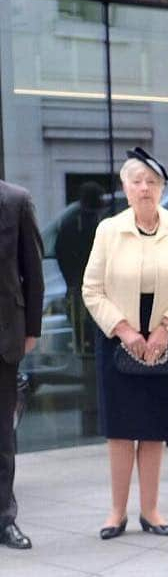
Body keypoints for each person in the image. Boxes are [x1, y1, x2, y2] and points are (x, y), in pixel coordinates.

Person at [82, 148, 168, 540]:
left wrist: (166, 327)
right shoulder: (108, 230)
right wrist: (125, 330)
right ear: (125, 188)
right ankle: (116, 513)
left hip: (165, 337)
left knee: (154, 428)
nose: (144, 188)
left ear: (163, 188)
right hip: (118, 338)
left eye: (152, 182)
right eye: (136, 182)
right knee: (120, 430)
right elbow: (92, 289)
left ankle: (151, 510)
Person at [0, 180, 43, 550]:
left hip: (3, 337)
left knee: (2, 436)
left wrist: (31, 329)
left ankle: (4, 519)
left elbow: (33, 269)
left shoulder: (15, 201)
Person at [55, 181, 105, 356]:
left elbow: (60, 253)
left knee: (81, 332)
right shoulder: (105, 224)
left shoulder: (69, 223)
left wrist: (70, 280)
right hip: (100, 287)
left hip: (77, 285)